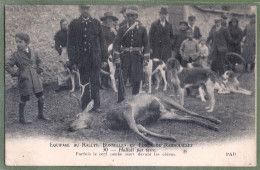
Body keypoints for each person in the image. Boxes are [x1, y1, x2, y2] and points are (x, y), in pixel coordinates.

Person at [67, 5, 108, 112]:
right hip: (82, 60)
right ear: (79, 10)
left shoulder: (96, 23)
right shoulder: (74, 24)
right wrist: (73, 61)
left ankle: (96, 105)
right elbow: (70, 44)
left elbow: (102, 42)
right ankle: (85, 105)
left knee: (95, 82)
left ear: (90, 9)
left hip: (95, 59)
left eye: (87, 8)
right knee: (84, 82)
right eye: (83, 8)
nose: (85, 11)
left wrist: (104, 58)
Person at [5, 33, 49, 124]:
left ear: (26, 42)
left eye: (20, 42)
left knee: (41, 96)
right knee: (24, 99)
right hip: (24, 79)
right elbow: (7, 65)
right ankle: (22, 119)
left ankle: (40, 115)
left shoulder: (33, 52)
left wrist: (39, 68)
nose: (18, 44)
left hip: (35, 77)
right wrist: (16, 72)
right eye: (16, 42)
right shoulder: (15, 55)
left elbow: (39, 61)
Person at [113, 5, 150, 95]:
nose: (130, 18)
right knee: (122, 78)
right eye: (129, 16)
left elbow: (146, 44)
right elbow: (116, 43)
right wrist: (117, 57)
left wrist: (146, 58)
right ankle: (121, 98)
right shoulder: (122, 29)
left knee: (137, 79)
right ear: (126, 17)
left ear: (136, 17)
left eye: (133, 16)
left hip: (137, 57)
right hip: (125, 57)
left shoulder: (142, 29)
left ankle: (135, 96)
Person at [100, 12, 118, 89]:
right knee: (104, 65)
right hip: (103, 49)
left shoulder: (112, 28)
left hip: (111, 50)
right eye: (109, 19)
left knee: (111, 66)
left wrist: (114, 31)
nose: (110, 21)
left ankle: (109, 81)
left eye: (111, 20)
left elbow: (117, 39)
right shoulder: (101, 28)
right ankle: (103, 83)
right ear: (105, 20)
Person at [54, 19, 71, 92]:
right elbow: (57, 45)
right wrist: (61, 52)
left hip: (72, 50)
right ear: (61, 25)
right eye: (64, 24)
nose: (65, 26)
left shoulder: (71, 32)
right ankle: (62, 85)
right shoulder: (58, 34)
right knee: (62, 67)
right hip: (64, 50)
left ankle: (73, 84)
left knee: (72, 67)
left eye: (66, 24)